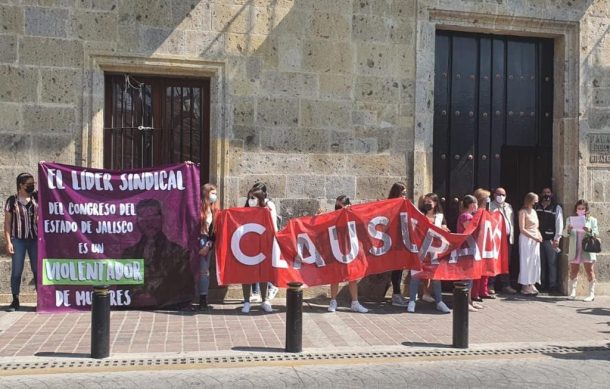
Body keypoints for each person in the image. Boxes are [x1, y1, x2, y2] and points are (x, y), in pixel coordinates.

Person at [122, 199, 194, 307]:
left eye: (153, 217)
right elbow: (124, 286)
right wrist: (137, 297)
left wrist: (156, 298)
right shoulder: (129, 253)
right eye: (143, 218)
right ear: (137, 221)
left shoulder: (178, 253)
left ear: (162, 219)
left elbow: (182, 285)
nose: (148, 222)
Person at [407, 193, 451, 314]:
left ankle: (439, 302)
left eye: (430, 201)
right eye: (425, 201)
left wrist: (444, 229)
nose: (427, 203)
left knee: (436, 277)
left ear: (435, 203)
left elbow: (444, 230)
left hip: (434, 252)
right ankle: (412, 301)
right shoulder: (419, 215)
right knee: (415, 275)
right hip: (420, 250)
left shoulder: (440, 216)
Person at [3, 173, 38, 312]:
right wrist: (8, 242)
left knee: (37, 270)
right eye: (28, 184)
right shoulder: (12, 201)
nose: (31, 186)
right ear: (20, 185)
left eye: (33, 183)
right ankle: (15, 299)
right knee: (17, 271)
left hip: (35, 239)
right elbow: (7, 224)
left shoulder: (36, 198)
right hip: (18, 240)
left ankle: (41, 299)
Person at [328, 195, 368, 313]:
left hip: (351, 248)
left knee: (352, 276)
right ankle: (333, 301)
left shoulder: (353, 214)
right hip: (336, 248)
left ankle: (355, 302)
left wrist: (351, 211)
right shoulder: (333, 216)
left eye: (340, 205)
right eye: (336, 205)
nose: (338, 208)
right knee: (335, 276)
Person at [241, 188, 276, 313]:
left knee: (263, 272)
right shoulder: (244, 212)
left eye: (253, 198)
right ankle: (246, 301)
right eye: (249, 198)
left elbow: (272, 227)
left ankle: (265, 300)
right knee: (246, 273)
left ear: (260, 199)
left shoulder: (266, 211)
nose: (250, 201)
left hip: (263, 245)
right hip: (247, 246)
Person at [563, 200, 599, 302]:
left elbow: (596, 233)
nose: (581, 210)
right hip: (575, 248)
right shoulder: (570, 219)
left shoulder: (592, 220)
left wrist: (590, 231)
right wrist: (569, 230)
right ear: (576, 209)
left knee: (589, 271)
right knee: (573, 270)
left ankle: (591, 294)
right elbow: (564, 234)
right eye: (579, 208)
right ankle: (572, 293)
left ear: (586, 209)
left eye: (583, 208)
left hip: (587, 249)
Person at [456, 194, 483, 312]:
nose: (477, 206)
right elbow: (470, 230)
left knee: (470, 276)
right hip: (466, 249)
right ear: (472, 205)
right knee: (466, 277)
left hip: (471, 248)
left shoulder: (469, 215)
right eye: (476, 203)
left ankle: (470, 300)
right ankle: (465, 302)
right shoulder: (465, 216)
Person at [535, 187, 563, 292]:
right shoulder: (536, 206)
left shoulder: (556, 208)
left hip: (550, 239)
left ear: (551, 194)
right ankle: (540, 283)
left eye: (548, 192)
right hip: (538, 239)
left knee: (552, 263)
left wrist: (557, 238)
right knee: (540, 262)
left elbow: (559, 223)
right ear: (541, 194)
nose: (546, 195)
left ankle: (552, 285)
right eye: (544, 192)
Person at [489, 187, 517, 294]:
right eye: (499, 194)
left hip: (508, 238)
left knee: (506, 263)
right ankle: (491, 285)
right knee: (493, 261)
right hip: (495, 239)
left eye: (503, 195)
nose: (501, 197)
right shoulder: (490, 206)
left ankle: (506, 285)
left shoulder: (509, 206)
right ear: (494, 195)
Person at [386, 182, 409, 307]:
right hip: (393, 241)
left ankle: (398, 294)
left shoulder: (402, 204)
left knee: (400, 268)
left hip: (401, 240)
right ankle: (395, 295)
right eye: (403, 193)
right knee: (396, 268)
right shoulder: (391, 205)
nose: (405, 195)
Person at [198, 183, 219, 311]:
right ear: (206, 193)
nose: (215, 196)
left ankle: (203, 299)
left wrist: (208, 244)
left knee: (204, 272)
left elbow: (214, 230)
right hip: (197, 239)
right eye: (212, 193)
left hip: (206, 241)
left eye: (216, 193)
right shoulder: (197, 207)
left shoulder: (214, 209)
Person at [518, 192, 543, 295]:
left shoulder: (534, 211)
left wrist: (539, 235)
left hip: (535, 239)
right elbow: (522, 229)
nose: (536, 202)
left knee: (534, 262)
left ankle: (531, 282)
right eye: (535, 200)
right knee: (526, 261)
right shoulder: (522, 212)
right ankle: (524, 285)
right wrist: (533, 237)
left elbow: (536, 227)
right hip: (526, 239)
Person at [472, 188, 494, 300]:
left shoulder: (487, 212)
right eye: (486, 198)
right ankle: (475, 293)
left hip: (487, 243)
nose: (488, 200)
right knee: (478, 269)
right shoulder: (477, 212)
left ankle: (483, 290)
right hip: (478, 243)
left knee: (486, 268)